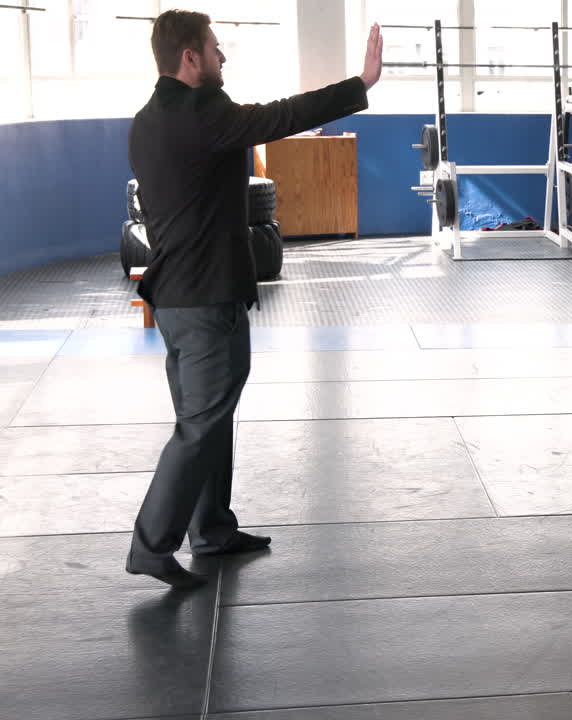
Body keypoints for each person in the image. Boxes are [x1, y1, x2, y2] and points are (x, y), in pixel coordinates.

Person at [125, 10, 384, 589]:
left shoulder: (146, 121)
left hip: (175, 299)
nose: (223, 58)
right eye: (215, 49)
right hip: (205, 297)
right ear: (189, 59)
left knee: (210, 417)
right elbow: (282, 116)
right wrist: (359, 85)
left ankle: (212, 529)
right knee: (200, 423)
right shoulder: (203, 114)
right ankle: (152, 546)